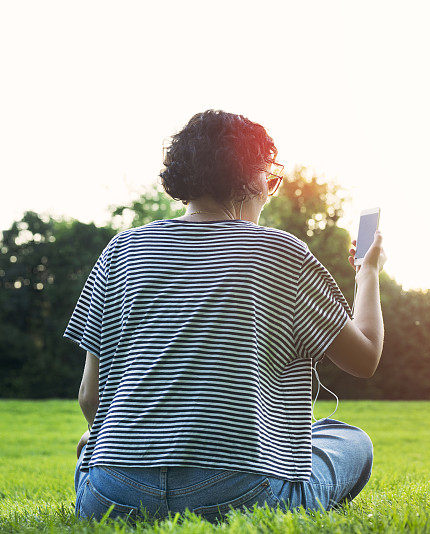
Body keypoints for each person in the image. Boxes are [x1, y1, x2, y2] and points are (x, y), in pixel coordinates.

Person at [66, 109, 387, 524]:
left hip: (112, 498)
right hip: (241, 495)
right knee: (351, 440)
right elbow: (365, 358)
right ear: (251, 177)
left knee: (89, 445)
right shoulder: (279, 251)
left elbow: (90, 398)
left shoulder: (122, 249)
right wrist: (369, 273)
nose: (270, 190)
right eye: (270, 176)